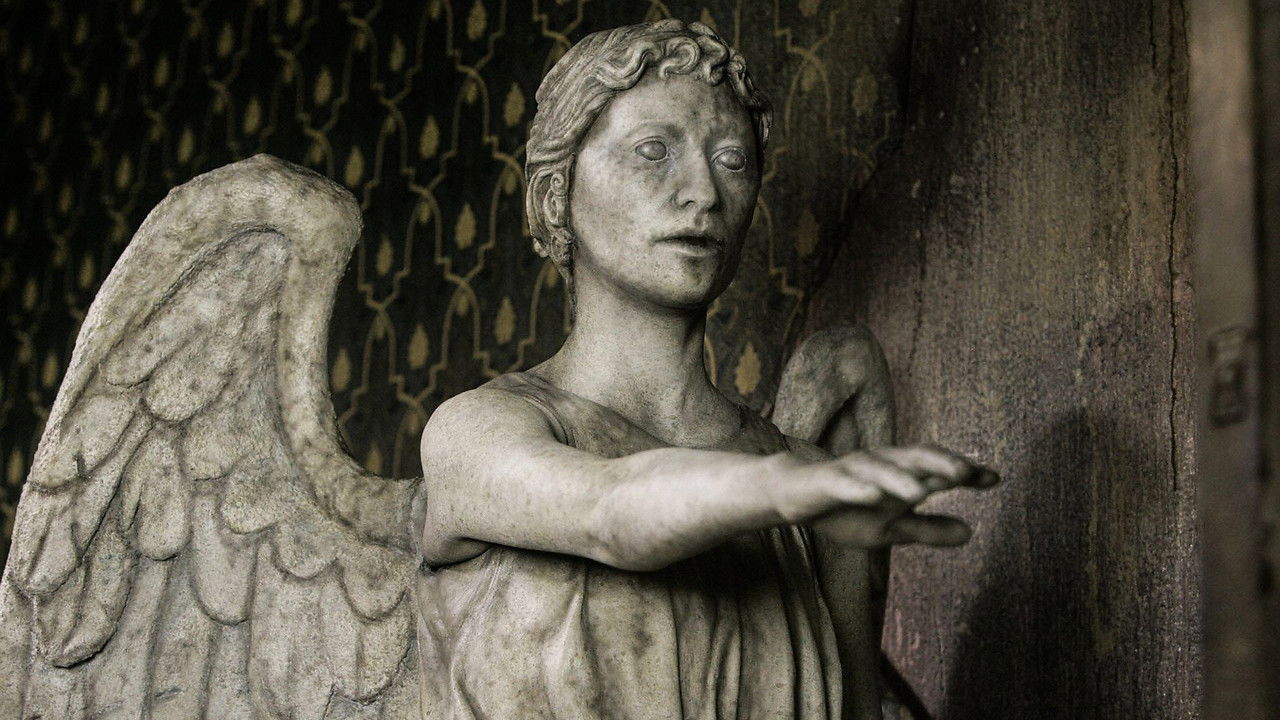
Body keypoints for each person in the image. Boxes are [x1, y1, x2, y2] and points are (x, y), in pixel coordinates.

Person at [416, 19, 996, 719]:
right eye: (653, 151)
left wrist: (799, 486)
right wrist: (780, 488)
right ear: (553, 196)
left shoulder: (811, 484)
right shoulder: (479, 431)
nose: (704, 192)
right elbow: (608, 512)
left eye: (732, 161)